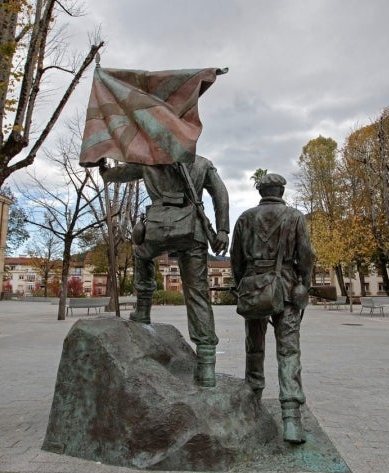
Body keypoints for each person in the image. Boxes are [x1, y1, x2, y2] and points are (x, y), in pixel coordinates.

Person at [100, 156, 230, 387]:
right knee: (197, 294)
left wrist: (104, 170)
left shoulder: (149, 161)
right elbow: (221, 194)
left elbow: (120, 174)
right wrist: (222, 229)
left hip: (157, 229)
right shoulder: (201, 163)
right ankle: (206, 367)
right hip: (192, 231)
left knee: (141, 253)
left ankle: (143, 311)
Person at [230, 173, 315, 444]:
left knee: (254, 348)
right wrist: (305, 285)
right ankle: (291, 420)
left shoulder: (245, 218)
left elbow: (236, 259)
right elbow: (306, 256)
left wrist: (243, 285)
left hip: (255, 288)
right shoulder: (295, 217)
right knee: (289, 352)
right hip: (288, 292)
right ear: (280, 190)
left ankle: (252, 402)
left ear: (261, 191)